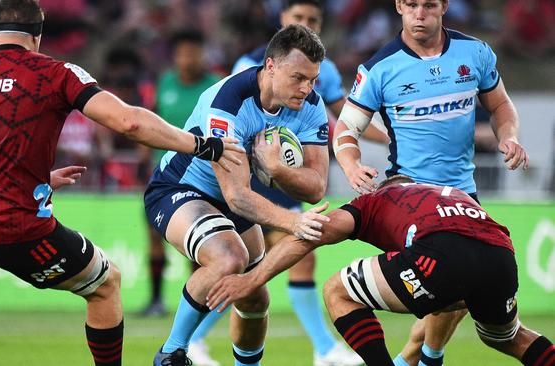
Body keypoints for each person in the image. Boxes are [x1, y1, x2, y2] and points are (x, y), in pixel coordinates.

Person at [0, 1, 242, 366]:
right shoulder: (55, 72)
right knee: (105, 284)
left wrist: (36, 181)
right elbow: (128, 122)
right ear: (37, 37)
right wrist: (201, 144)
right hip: (16, 227)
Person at [332, 0, 530, 364]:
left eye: (428, 5)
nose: (419, 14)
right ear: (398, 6)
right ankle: (421, 357)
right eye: (411, 5)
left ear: (444, 6)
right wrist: (350, 164)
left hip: (462, 197)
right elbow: (345, 128)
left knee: (454, 290)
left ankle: (422, 357)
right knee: (450, 289)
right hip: (410, 199)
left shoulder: (475, 53)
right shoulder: (379, 68)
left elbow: (501, 106)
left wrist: (510, 136)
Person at [186, 2, 383, 365]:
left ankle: (319, 347)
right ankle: (194, 340)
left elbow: (344, 115)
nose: (306, 24)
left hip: (281, 169)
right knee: (254, 264)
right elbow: (235, 117)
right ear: (282, 22)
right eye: (299, 19)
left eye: (313, 20)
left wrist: (389, 137)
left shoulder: (324, 73)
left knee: (276, 265)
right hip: (248, 170)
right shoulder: (249, 65)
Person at [207, 175, 555, 366]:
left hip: (441, 250)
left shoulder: (374, 200)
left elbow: (311, 235)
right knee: (508, 337)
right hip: (501, 255)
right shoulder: (451, 195)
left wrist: (251, 278)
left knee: (337, 291)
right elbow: (460, 278)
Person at [144, 24, 331, 366]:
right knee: (230, 258)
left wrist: (279, 171)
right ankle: (171, 353)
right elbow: (238, 198)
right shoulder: (228, 102)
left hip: (233, 196)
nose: (306, 88)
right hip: (181, 188)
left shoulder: (311, 105)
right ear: (270, 66)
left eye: (313, 79)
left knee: (255, 298)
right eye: (298, 77)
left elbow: (317, 186)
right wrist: (294, 221)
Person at [140, 28, 224, 319]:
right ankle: (155, 300)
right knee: (152, 239)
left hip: (202, 181)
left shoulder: (216, 86)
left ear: (203, 55)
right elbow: (150, 120)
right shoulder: (165, 83)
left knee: (200, 245)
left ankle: (198, 303)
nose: (187, 59)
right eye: (182, 53)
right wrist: (143, 160)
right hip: (162, 177)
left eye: (193, 52)